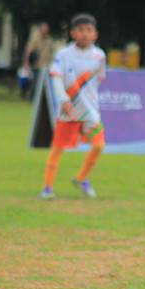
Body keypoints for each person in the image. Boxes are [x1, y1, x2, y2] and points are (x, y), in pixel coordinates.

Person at [39, 13, 107, 199]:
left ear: (95, 34)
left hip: (90, 110)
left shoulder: (99, 56)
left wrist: (88, 101)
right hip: (68, 110)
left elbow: (98, 82)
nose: (85, 34)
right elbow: (56, 77)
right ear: (72, 33)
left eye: (88, 30)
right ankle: (47, 187)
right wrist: (64, 99)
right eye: (80, 30)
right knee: (57, 148)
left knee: (99, 145)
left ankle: (80, 178)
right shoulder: (64, 54)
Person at [20, 22, 53, 100]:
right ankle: (33, 98)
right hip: (37, 64)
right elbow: (28, 51)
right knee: (35, 82)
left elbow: (51, 51)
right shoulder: (35, 38)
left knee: (46, 84)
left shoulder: (49, 39)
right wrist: (26, 62)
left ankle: (43, 99)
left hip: (47, 64)